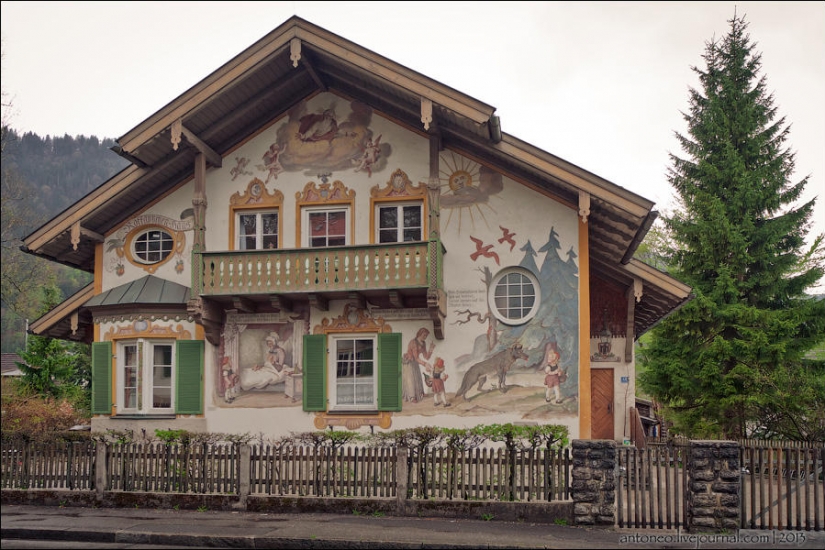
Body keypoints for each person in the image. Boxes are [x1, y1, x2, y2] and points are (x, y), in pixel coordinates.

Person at [402, 327, 434, 403]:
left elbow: (426, 356)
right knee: (411, 379)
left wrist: (431, 349)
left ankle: (421, 393)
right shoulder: (413, 342)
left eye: (426, 336)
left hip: (415, 361)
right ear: (420, 333)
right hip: (409, 362)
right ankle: (412, 397)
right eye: (424, 335)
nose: (425, 337)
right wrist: (425, 364)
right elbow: (416, 357)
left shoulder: (423, 343)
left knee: (418, 377)